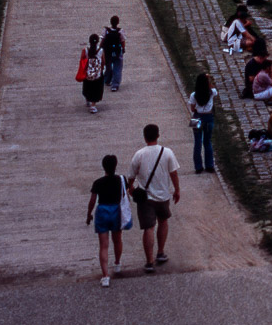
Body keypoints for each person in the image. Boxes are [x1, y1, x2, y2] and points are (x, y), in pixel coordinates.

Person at [126, 123, 181, 272]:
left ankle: (149, 261)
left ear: (145, 137)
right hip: (163, 195)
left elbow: (131, 175)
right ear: (158, 135)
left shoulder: (139, 154)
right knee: (163, 222)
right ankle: (160, 252)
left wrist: (130, 187)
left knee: (148, 228)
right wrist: (177, 190)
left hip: (146, 197)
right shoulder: (167, 152)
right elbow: (173, 173)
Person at [86, 153, 130, 287]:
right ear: (115, 166)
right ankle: (117, 263)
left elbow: (93, 201)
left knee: (103, 245)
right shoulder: (121, 179)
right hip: (116, 211)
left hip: (103, 212)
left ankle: (105, 276)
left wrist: (89, 214)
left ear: (103, 167)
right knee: (117, 240)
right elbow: (125, 194)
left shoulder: (98, 183)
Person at [188, 73, 218, 174]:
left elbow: (192, 108)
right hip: (209, 117)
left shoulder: (193, 95)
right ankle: (209, 165)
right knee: (207, 141)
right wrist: (208, 79)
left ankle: (198, 167)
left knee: (197, 143)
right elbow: (213, 87)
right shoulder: (212, 92)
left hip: (197, 117)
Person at [79, 33, 105, 113]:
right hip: (97, 74)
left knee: (87, 87)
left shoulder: (85, 50)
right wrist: (101, 70)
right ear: (97, 41)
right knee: (96, 89)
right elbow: (103, 62)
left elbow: (82, 60)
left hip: (88, 73)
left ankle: (87, 99)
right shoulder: (101, 50)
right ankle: (93, 106)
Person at [101, 16, 126, 92]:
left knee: (108, 66)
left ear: (110, 22)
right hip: (117, 51)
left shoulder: (106, 30)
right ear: (118, 23)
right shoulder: (120, 31)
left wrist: (100, 48)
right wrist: (123, 49)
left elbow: (102, 40)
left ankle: (107, 80)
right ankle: (115, 85)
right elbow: (123, 41)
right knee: (117, 68)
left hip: (108, 52)